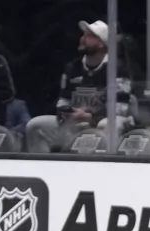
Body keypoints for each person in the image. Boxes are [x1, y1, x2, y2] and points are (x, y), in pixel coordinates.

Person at [24, 20, 132, 153]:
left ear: (101, 44)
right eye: (83, 35)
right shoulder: (72, 68)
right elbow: (63, 101)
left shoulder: (118, 68)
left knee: (108, 124)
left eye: (90, 36)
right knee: (36, 125)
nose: (83, 39)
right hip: (76, 122)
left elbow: (120, 108)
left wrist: (91, 117)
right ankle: (43, 167)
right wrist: (67, 114)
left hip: (102, 121)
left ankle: (106, 166)